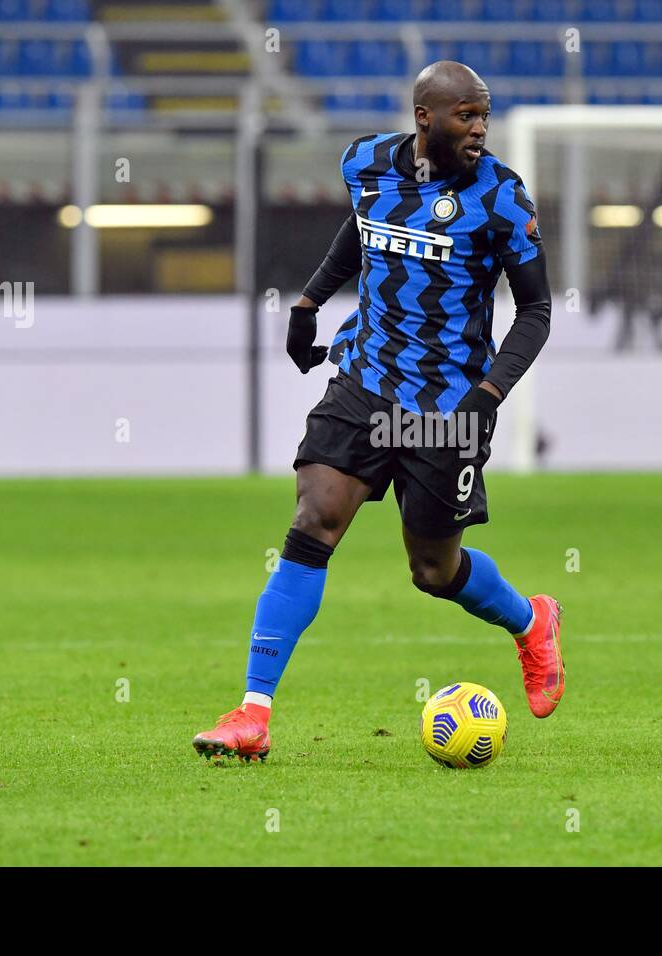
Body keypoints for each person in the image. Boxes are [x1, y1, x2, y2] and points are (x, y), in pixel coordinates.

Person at [192, 61, 564, 763]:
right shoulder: (366, 162)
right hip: (365, 381)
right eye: (466, 115)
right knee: (313, 519)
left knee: (433, 570)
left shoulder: (502, 196)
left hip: (447, 403)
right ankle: (252, 713)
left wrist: (489, 397)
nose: (480, 127)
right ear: (426, 117)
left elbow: (537, 309)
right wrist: (308, 303)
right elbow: (360, 233)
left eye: (484, 115)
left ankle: (531, 621)